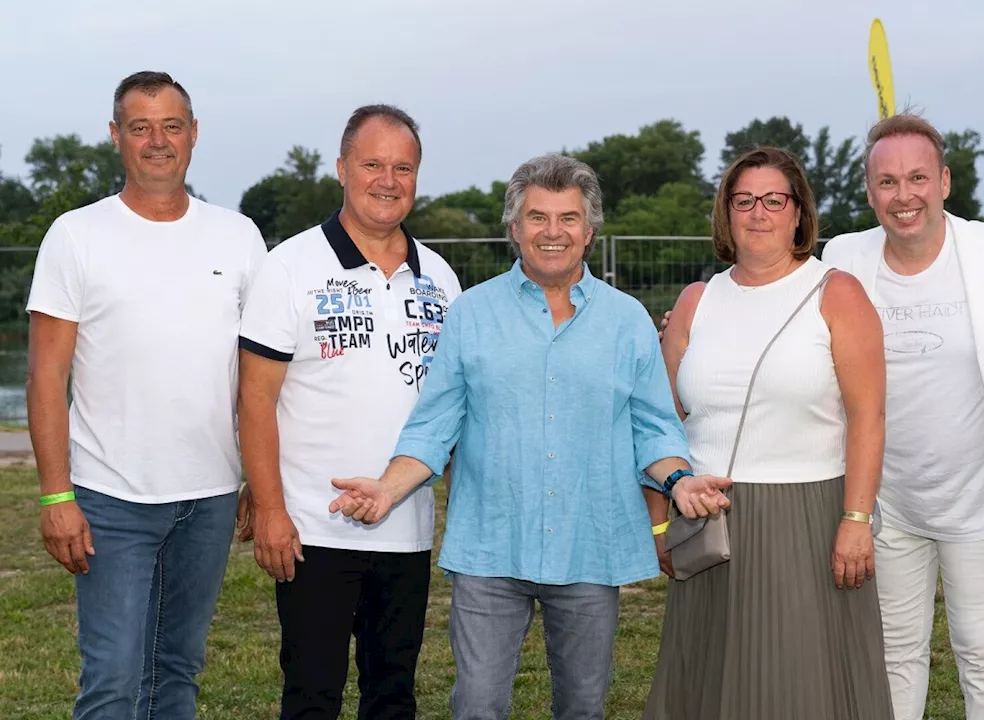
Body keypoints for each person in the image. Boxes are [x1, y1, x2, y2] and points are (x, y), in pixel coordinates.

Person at [327, 153, 732, 720]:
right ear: (514, 229)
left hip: (591, 546)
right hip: (492, 547)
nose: (552, 232)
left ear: (589, 232)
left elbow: (654, 427)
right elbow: (433, 427)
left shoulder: (627, 320)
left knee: (583, 707)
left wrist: (681, 480)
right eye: (538, 217)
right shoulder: (470, 315)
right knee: (477, 706)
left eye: (567, 218)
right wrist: (387, 491)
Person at [25, 71, 266, 720]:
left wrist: (261, 482)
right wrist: (55, 496)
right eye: (140, 126)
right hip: (110, 499)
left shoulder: (238, 237)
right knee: (111, 683)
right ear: (115, 136)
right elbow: (46, 376)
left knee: (176, 676)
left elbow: (259, 377)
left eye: (171, 125)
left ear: (193, 134)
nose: (157, 140)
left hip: (209, 499)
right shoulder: (75, 235)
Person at [643, 147, 893, 720]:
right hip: (708, 519)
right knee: (706, 681)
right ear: (726, 213)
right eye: (744, 200)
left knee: (799, 683)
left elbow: (869, 418)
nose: (758, 213)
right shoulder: (696, 301)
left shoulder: (837, 293)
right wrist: (660, 517)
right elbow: (660, 422)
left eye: (773, 200)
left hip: (806, 520)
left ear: (798, 213)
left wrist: (856, 520)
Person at [236, 105, 459, 720]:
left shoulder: (439, 277)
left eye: (403, 167)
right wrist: (272, 510)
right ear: (342, 168)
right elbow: (255, 398)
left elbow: (450, 407)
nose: (387, 180)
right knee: (312, 695)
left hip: (407, 525)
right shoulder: (290, 267)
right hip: (313, 529)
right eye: (372, 164)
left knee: (393, 695)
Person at [821, 113, 984, 720]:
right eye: (887, 182)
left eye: (918, 177)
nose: (904, 195)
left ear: (944, 181)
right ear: (869, 192)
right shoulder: (843, 259)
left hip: (981, 499)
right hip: (886, 503)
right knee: (893, 654)